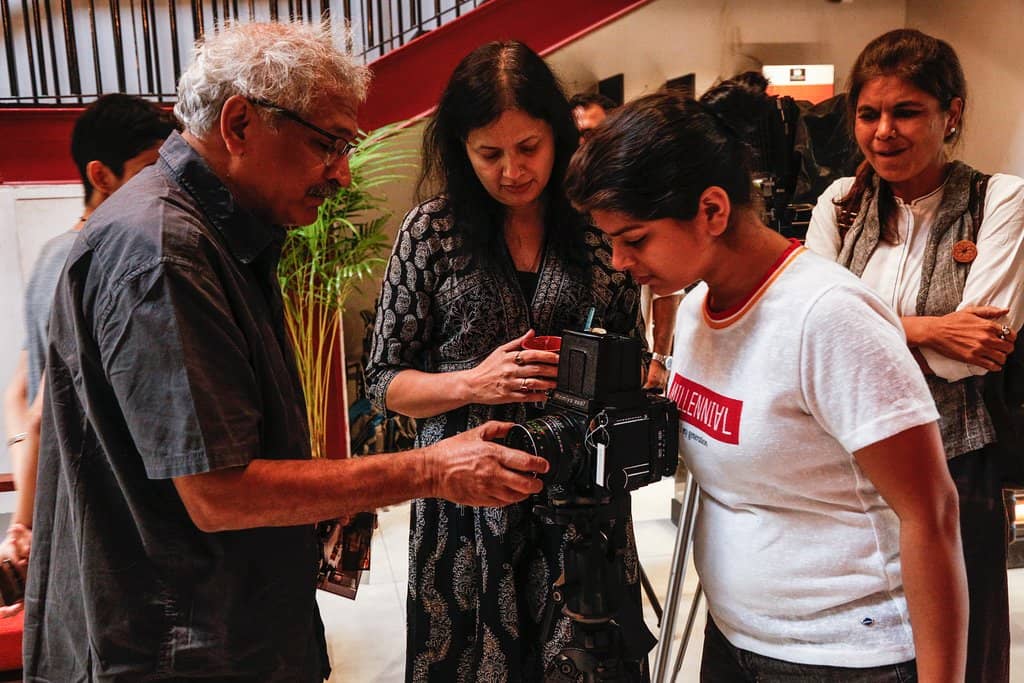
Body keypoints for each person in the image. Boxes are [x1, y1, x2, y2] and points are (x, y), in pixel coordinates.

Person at [24, 22, 548, 683]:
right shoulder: (163, 250)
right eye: (327, 144)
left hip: (227, 627)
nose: (342, 171)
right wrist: (434, 469)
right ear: (240, 124)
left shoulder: (220, 229)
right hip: (175, 648)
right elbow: (220, 490)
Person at [566, 90, 968, 682]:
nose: (620, 261)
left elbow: (931, 513)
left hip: (842, 659)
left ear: (712, 211)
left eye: (635, 238)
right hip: (736, 638)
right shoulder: (700, 307)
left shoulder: (828, 318)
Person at [365, 41, 647, 681]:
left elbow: (634, 359)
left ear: (559, 137)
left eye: (529, 148)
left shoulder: (598, 228)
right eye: (489, 153)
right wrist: (473, 381)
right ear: (461, 150)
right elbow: (385, 382)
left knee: (587, 657)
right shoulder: (431, 232)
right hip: (464, 502)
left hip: (580, 494)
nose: (512, 171)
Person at [805, 28, 1024, 683]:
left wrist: (863, 335)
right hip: (845, 465)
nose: (884, 132)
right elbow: (809, 339)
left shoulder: (1000, 200)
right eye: (869, 114)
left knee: (961, 647)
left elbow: (979, 349)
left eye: (906, 112)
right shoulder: (839, 205)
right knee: (861, 643)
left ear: (950, 113)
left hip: (958, 463)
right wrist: (930, 331)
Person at [1, 94, 176, 613]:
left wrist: (25, 516)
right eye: (149, 170)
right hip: (103, 513)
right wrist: (26, 521)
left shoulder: (55, 252)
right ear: (101, 175)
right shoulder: (102, 257)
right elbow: (40, 410)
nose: (164, 185)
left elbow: (21, 390)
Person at [570, 90, 682, 390]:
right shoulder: (568, 204)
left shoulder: (635, 195)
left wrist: (659, 359)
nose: (583, 146)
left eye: (592, 134)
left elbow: (668, 291)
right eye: (577, 136)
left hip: (633, 361)